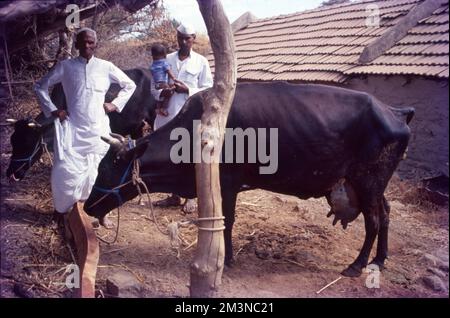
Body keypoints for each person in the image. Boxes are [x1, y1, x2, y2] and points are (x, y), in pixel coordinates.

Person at [34, 27, 136, 228]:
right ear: (77, 44)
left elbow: (129, 85)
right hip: (73, 131)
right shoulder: (66, 66)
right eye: (84, 42)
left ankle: (98, 212)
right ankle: (59, 212)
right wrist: (54, 110)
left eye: (91, 42)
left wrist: (114, 104)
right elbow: (40, 86)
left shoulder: (106, 66)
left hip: (98, 131)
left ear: (96, 44)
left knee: (98, 172)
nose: (87, 46)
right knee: (63, 172)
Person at [151, 23, 213, 213]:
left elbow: (209, 88)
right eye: (180, 38)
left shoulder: (201, 61)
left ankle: (190, 197)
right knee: (169, 155)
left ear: (194, 38)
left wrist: (188, 90)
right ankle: (174, 195)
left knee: (188, 155)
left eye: (188, 38)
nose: (184, 42)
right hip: (167, 114)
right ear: (176, 37)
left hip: (189, 115)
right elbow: (154, 88)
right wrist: (163, 94)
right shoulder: (165, 59)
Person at [150, 43, 177, 117]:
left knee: (160, 97)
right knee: (169, 93)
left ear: (152, 56)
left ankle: (158, 108)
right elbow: (168, 71)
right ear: (165, 55)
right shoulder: (164, 63)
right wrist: (174, 78)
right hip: (163, 83)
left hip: (157, 84)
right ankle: (164, 108)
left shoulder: (153, 65)